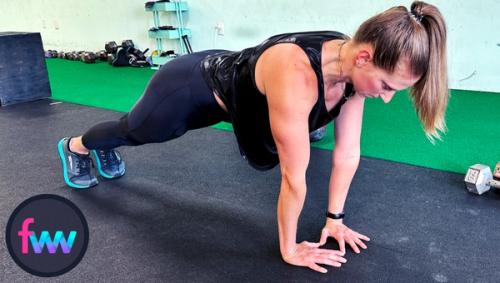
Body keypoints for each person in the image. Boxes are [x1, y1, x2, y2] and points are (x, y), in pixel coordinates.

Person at [57, 1, 447, 273]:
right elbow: (294, 178)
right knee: (136, 132)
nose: (386, 97)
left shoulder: (351, 71)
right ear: (364, 56)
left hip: (239, 86)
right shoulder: (296, 74)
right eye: (385, 85)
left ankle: (100, 146)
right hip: (189, 87)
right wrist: (290, 248)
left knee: (314, 128)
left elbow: (347, 154)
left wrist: (335, 220)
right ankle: (77, 146)